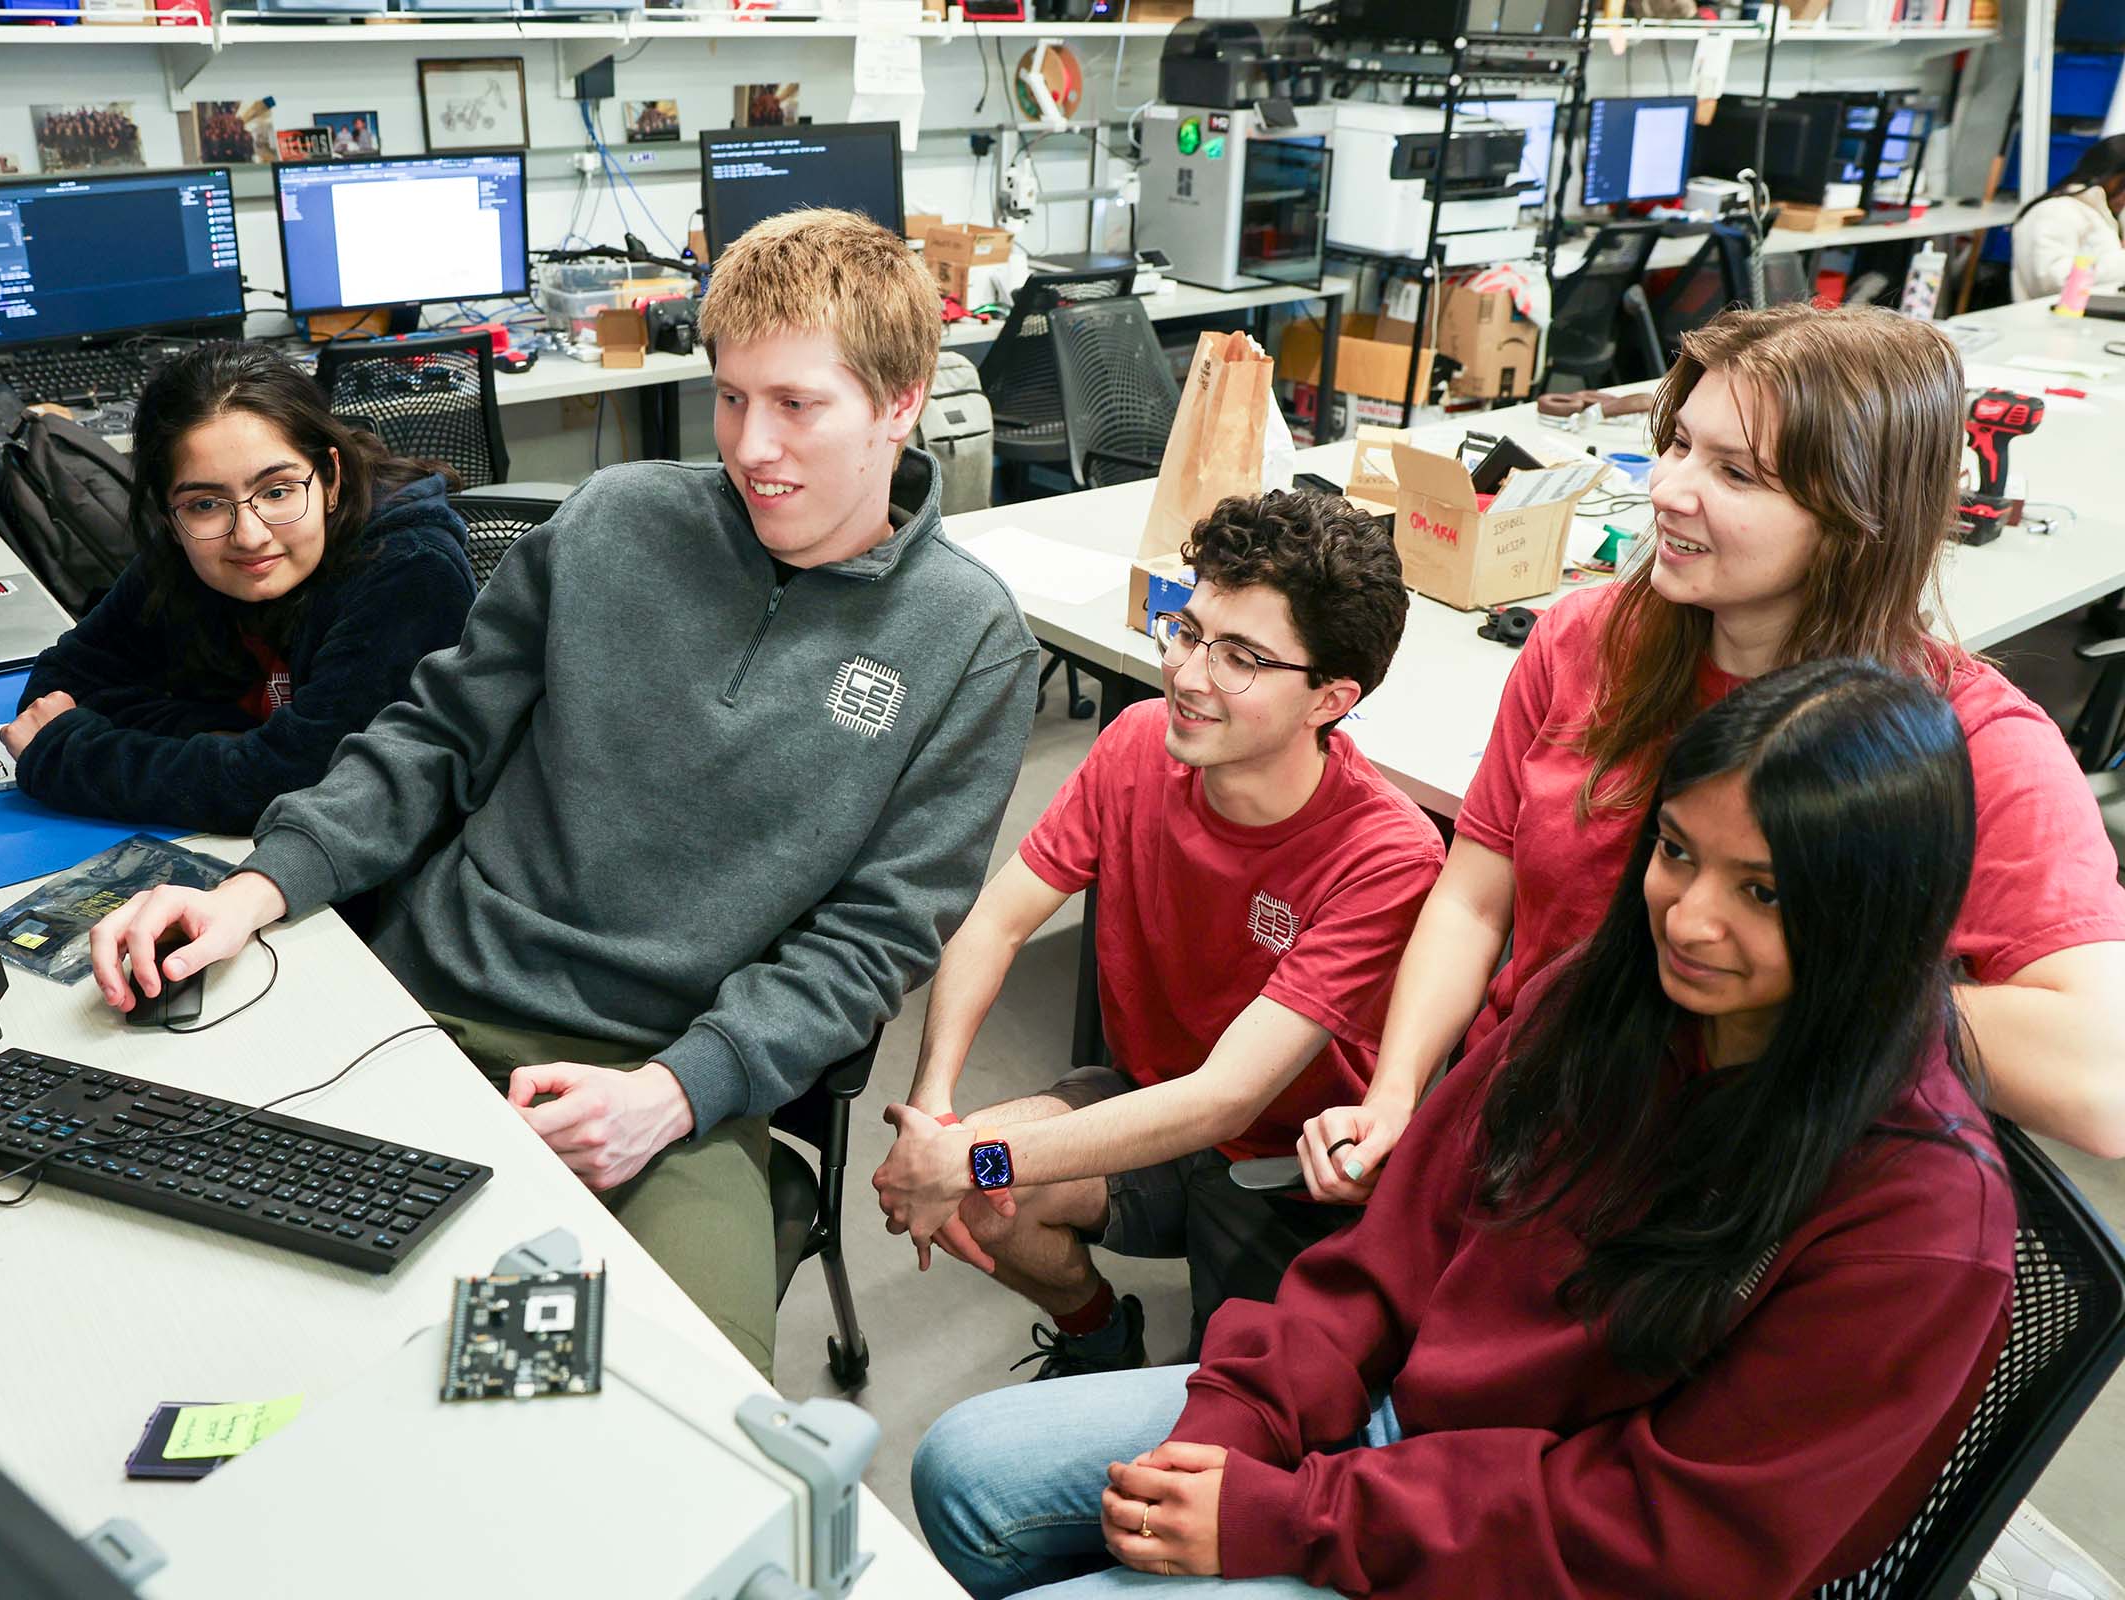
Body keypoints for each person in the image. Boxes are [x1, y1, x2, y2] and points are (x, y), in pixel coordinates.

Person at [80, 208, 1041, 1378]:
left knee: (680, 1406)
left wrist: (678, 1093)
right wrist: (257, 886)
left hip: (667, 1072)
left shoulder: (970, 640)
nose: (751, 447)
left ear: (901, 401)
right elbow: (432, 736)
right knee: (229, 1307)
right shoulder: (614, 522)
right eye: (732, 398)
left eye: (798, 405)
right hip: (429, 1001)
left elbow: (877, 937)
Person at [912, 659, 2016, 1599]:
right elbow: (1395, 1249)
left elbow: (1664, 1532)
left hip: (1545, 1549)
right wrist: (1240, 1421)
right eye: (1677, 852)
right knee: (965, 1469)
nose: (1688, 918)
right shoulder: (1606, 993)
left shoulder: (1919, 1217)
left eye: (1764, 893)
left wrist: (1302, 1515)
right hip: (1406, 1430)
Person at [1305, 302, 2125, 1222]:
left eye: (1734, 472)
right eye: (1680, 444)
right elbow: (1474, 896)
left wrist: (1810, 980)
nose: (1668, 490)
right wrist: (1399, 1093)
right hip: (1522, 1137)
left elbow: (2102, 1082)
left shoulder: (1976, 745)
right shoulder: (1585, 641)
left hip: (1721, 1202)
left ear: (1862, 519)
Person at [871, 489, 1444, 1378]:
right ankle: (1097, 1333)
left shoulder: (1386, 853)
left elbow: (1227, 1100)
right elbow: (996, 920)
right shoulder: (1137, 743)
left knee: (1235, 1414)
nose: (1188, 674)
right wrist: (940, 1108)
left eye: (1243, 658)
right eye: (1188, 628)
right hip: (1146, 1099)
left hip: (1285, 1167)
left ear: (1331, 699)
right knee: (986, 1192)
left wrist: (963, 1156)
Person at [0, 343, 475, 837]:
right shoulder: (185, 546)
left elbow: (309, 785)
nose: (248, 535)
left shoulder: (411, 571)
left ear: (330, 478)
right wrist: (224, 739)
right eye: (206, 503)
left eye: (277, 491)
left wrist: (69, 755)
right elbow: (60, 683)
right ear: (169, 513)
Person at [2009, 133, 2125, 302]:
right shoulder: (2055, 211)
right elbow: (2050, 281)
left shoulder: (2103, 214)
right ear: (2107, 172)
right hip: (2050, 325)